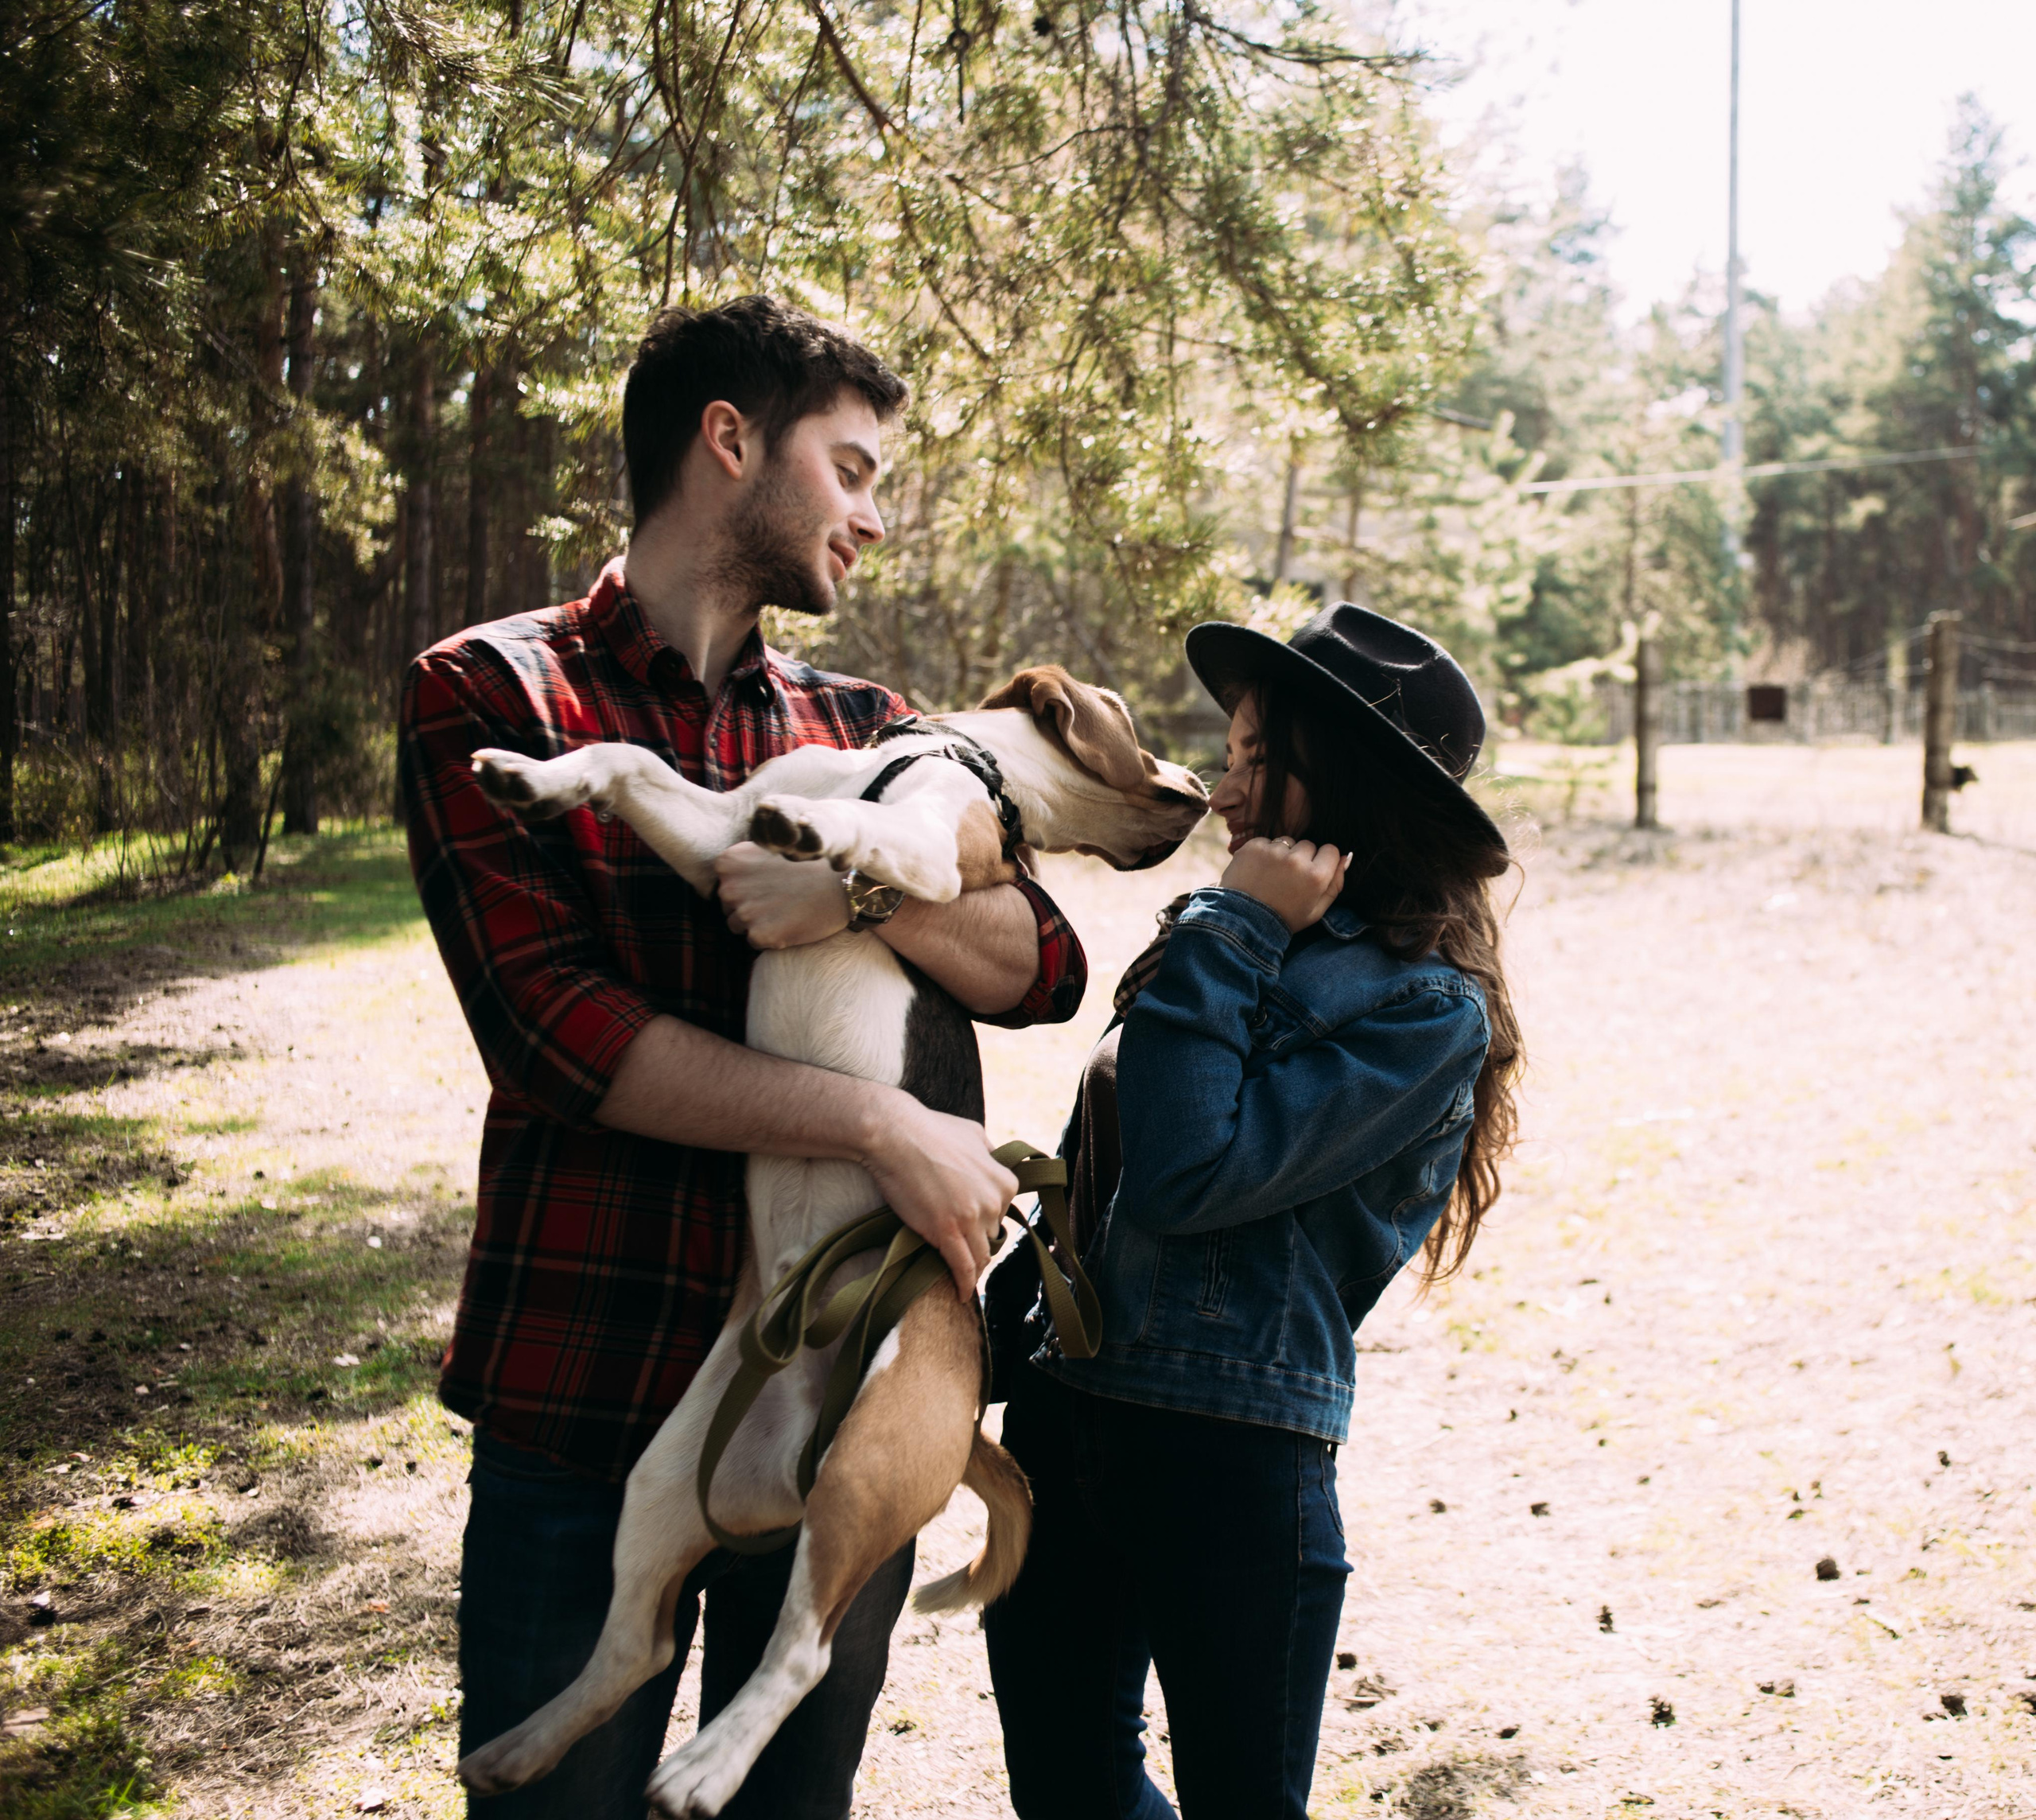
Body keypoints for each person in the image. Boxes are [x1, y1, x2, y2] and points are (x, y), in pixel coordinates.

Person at [399, 295, 1088, 1819]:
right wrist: (882, 1129)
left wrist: (853, 884)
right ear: (730, 442)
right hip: (591, 1395)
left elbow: (1041, 959)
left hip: (844, 1393)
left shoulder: (867, 724)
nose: (874, 518)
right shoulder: (494, 695)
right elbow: (564, 1040)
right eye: (849, 471)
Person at [982, 603, 1522, 1819]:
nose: (1221, 796)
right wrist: (982, 1338)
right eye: (1228, 759)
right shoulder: (1234, 934)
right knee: (1066, 1787)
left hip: (1231, 1460)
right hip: (1067, 1425)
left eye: (1254, 762)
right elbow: (1104, 1167)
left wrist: (1235, 928)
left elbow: (1187, 1175)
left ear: (1349, 782)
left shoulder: (1424, 1011)